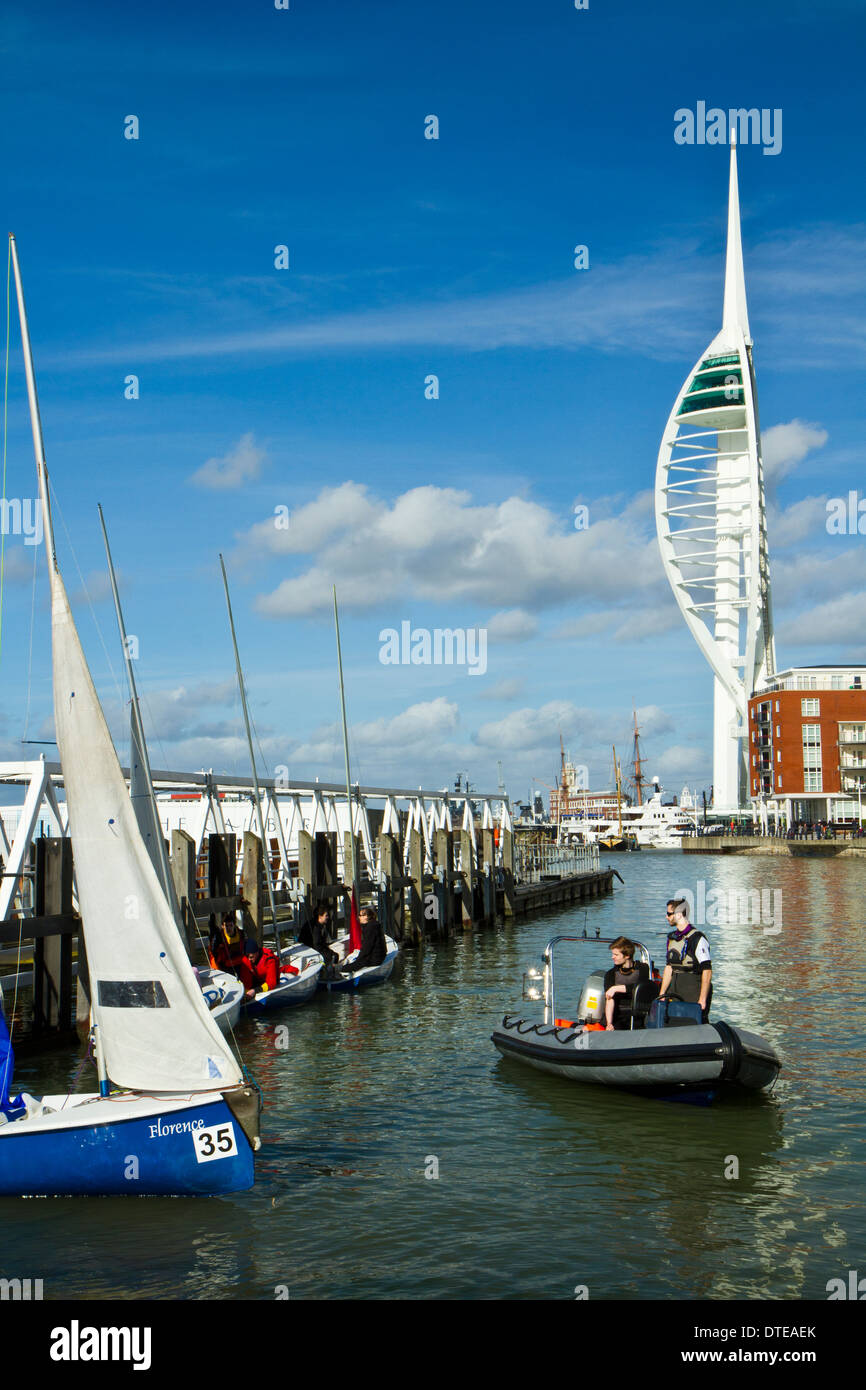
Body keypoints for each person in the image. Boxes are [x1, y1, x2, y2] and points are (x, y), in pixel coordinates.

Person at [658, 898, 713, 1021]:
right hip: (675, 989)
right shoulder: (672, 938)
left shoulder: (697, 938)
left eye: (669, 914)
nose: (666, 917)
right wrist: (662, 994)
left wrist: (702, 999)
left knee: (694, 1023)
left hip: (693, 988)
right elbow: (668, 968)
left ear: (678, 914)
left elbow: (707, 970)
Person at [603, 937, 650, 1031]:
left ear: (627, 955)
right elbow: (609, 1000)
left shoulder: (643, 968)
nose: (612, 957)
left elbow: (642, 989)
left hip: (638, 1012)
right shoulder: (610, 974)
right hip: (618, 1013)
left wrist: (616, 988)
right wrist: (609, 1023)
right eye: (612, 954)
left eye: (616, 955)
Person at [337, 904, 387, 974]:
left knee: (353, 965)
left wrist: (358, 959)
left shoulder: (370, 928)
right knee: (357, 962)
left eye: (360, 915)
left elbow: (367, 947)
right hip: (379, 956)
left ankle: (337, 969)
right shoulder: (374, 925)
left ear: (366, 916)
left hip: (375, 958)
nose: (359, 917)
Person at [298, 904, 341, 968]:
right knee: (334, 956)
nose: (328, 917)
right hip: (311, 950)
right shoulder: (315, 928)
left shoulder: (318, 924)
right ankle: (330, 971)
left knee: (333, 954)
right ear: (320, 916)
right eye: (326, 916)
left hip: (312, 947)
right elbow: (317, 945)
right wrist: (330, 953)